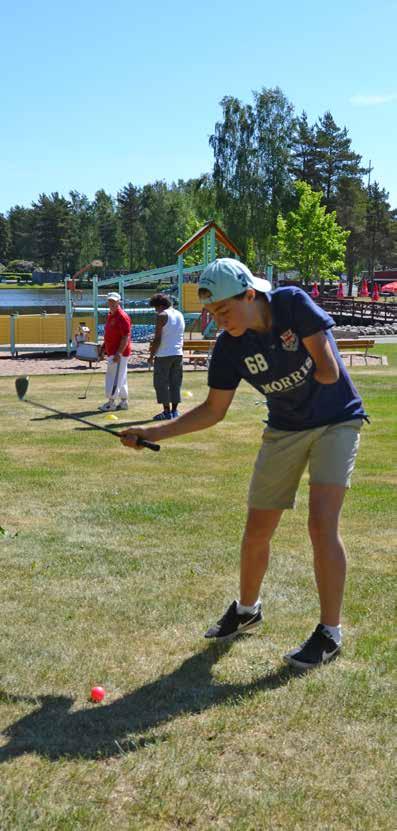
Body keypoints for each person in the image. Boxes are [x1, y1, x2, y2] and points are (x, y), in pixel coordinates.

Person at [120, 258, 366, 669]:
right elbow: (213, 411)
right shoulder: (230, 348)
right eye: (213, 314)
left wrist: (303, 348)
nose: (219, 321)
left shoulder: (291, 304)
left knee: (321, 523)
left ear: (250, 294)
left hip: (337, 420)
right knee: (256, 531)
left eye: (225, 310)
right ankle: (247, 610)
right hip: (284, 429)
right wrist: (152, 433)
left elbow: (328, 371)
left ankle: (329, 633)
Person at [148, 293, 185, 420]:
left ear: (160, 305)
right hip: (178, 354)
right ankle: (175, 411)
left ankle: (166, 412)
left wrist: (151, 355)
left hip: (164, 355)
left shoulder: (162, 315)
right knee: (175, 383)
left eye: (155, 308)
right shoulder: (180, 314)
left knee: (161, 384)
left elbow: (157, 339)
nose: (155, 310)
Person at [98, 292, 132, 412]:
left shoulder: (121, 316)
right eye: (110, 301)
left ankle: (111, 403)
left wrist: (118, 353)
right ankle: (124, 401)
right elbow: (109, 335)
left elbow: (125, 337)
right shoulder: (110, 315)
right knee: (121, 377)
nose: (111, 303)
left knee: (113, 377)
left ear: (118, 302)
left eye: (114, 301)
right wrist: (103, 348)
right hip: (113, 351)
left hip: (119, 353)